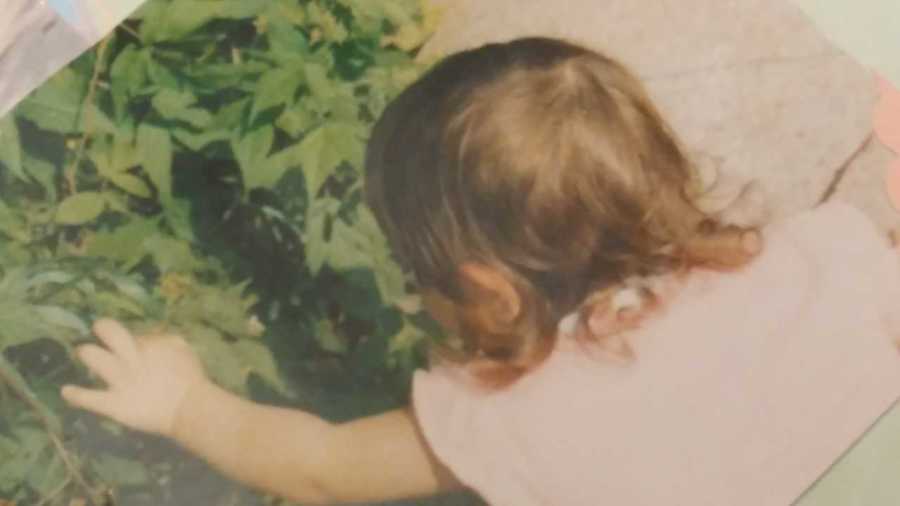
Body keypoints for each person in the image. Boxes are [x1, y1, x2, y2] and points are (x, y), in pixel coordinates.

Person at [60, 38, 900, 505]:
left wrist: (180, 402)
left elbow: (321, 468)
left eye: (412, 266)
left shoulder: (513, 417)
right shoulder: (824, 254)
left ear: (490, 290)